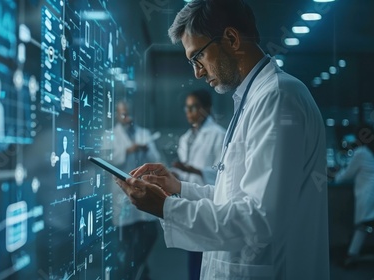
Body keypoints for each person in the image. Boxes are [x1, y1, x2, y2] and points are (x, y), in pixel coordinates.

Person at [114, 1, 330, 279]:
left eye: (198, 57)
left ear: (231, 39)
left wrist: (166, 207)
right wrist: (179, 187)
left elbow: (259, 218)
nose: (197, 72)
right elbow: (236, 197)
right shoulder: (254, 98)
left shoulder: (278, 97)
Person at [172, 89, 226, 280]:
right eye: (187, 108)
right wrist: (172, 174)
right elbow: (182, 173)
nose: (189, 112)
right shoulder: (185, 138)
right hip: (190, 201)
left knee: (207, 254)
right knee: (193, 252)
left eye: (194, 107)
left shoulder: (219, 135)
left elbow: (223, 172)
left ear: (207, 108)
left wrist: (194, 170)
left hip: (209, 202)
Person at [106, 100, 161, 280]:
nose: (126, 117)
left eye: (128, 113)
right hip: (122, 196)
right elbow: (109, 160)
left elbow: (156, 159)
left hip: (141, 193)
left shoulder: (143, 134)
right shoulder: (110, 135)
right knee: (127, 244)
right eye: (122, 113)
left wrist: (144, 150)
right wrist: (129, 150)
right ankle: (137, 274)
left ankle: (136, 272)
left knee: (149, 234)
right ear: (116, 115)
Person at [334, 125, 374, 261]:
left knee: (361, 227)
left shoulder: (361, 153)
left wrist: (335, 177)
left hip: (369, 199)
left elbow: (347, 175)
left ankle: (351, 257)